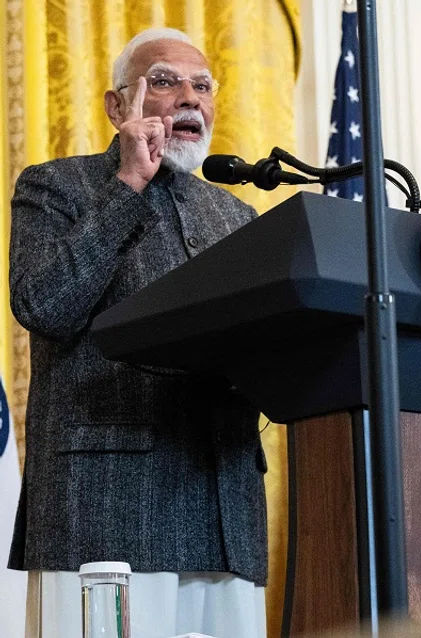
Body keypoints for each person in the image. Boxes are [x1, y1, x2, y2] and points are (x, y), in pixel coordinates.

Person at [8, 28, 267, 638]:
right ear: (115, 104)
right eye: (164, 81)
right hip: (107, 508)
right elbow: (44, 304)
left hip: (224, 510)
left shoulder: (236, 215)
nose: (188, 98)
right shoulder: (57, 187)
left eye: (201, 86)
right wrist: (128, 185)